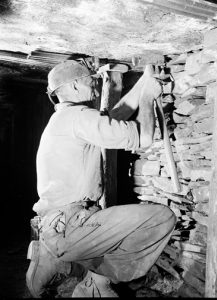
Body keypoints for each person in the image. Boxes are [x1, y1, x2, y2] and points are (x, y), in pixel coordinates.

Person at [26, 60, 176, 298]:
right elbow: (144, 138)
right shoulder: (79, 117)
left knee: (114, 232)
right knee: (162, 218)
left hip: (60, 223)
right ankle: (90, 281)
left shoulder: (65, 119)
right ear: (75, 87)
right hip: (73, 226)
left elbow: (114, 117)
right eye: (91, 81)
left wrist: (144, 82)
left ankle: (68, 262)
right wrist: (147, 97)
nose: (96, 87)